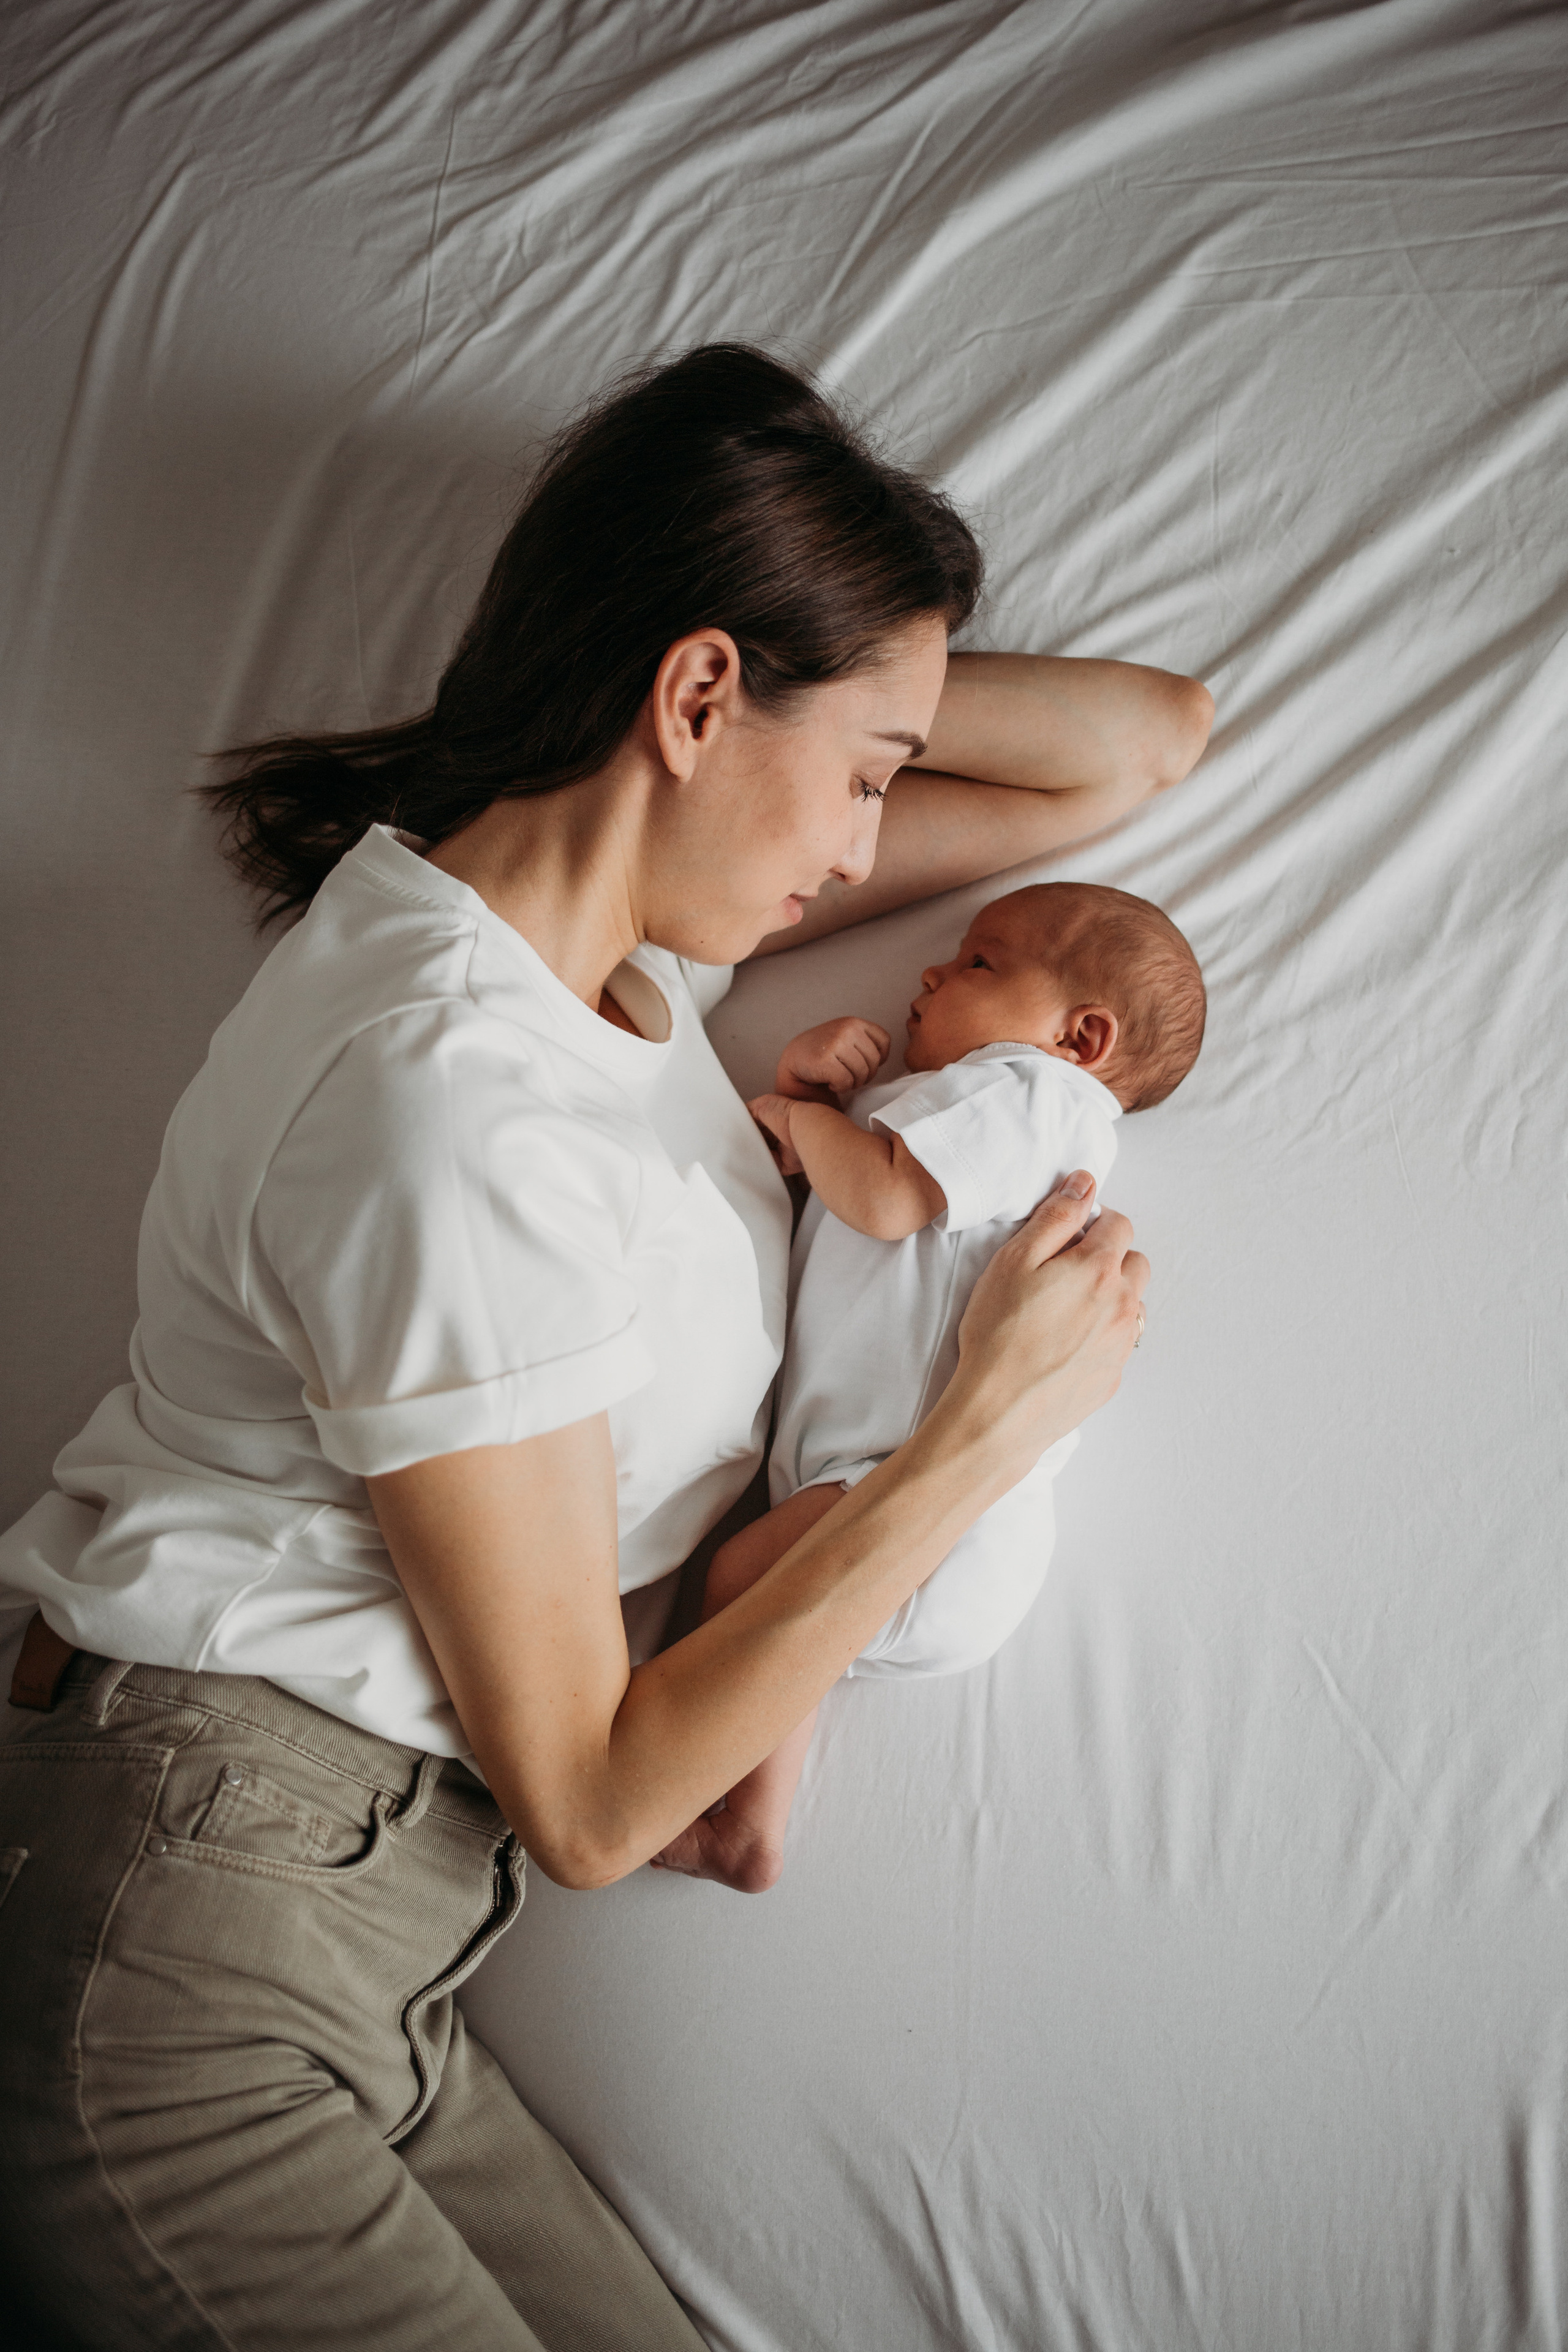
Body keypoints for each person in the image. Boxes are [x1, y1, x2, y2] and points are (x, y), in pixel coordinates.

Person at [0, 343, 1204, 2350]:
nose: (868, 851)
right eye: (869, 775)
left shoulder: (606, 965)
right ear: (698, 698)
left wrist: (851, 686)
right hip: (189, 1951)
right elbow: (594, 1800)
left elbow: (1143, 745)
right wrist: (973, 1443)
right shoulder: (450, 1097)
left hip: (343, 1935)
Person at [652, 881, 1205, 1892]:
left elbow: (884, 1199)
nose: (933, 971)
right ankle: (747, 1831)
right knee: (777, 1613)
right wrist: (814, 1109)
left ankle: (689, 1791)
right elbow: (826, 1193)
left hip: (927, 1508)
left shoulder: (1032, 1092)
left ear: (1080, 1037)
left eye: (980, 962)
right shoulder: (968, 1116)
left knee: (746, 1586)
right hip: (900, 1497)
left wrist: (798, 1114)